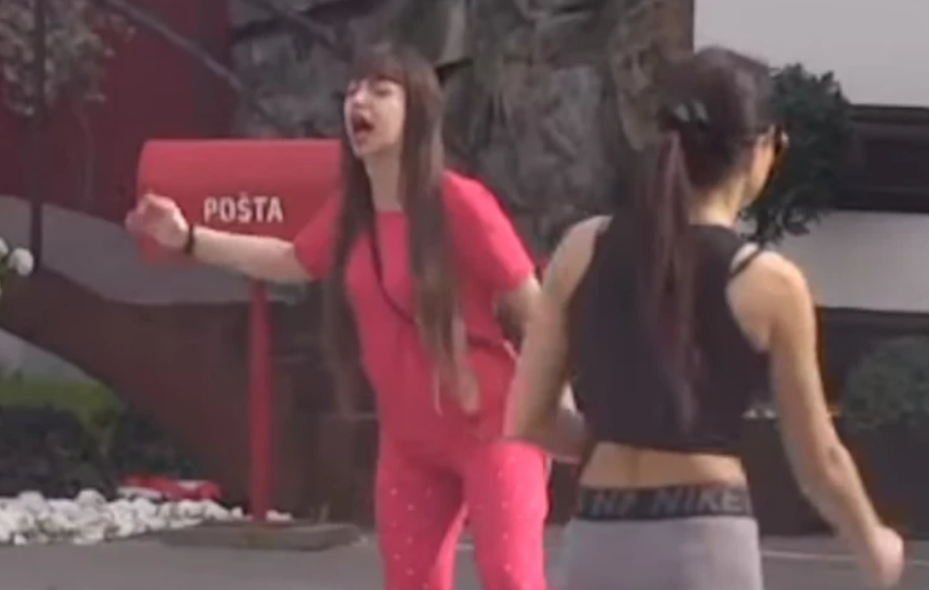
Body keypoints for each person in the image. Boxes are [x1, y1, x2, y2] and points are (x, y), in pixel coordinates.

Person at [126, 42, 550, 590]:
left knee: (510, 578)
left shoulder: (460, 203)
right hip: (410, 441)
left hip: (492, 426)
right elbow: (289, 260)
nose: (359, 102)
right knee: (411, 582)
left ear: (418, 111)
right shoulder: (355, 211)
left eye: (380, 91)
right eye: (352, 91)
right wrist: (187, 238)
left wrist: (554, 407)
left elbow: (536, 312)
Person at [504, 46, 904, 590]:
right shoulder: (768, 282)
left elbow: (529, 417)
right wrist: (872, 539)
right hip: (703, 536)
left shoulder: (583, 248)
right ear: (762, 147)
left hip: (598, 533)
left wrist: (619, 435)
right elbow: (818, 458)